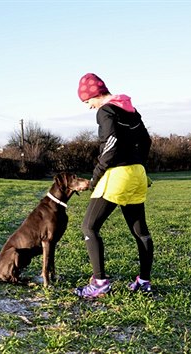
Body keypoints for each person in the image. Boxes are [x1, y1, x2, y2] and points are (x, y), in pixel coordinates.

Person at [74, 73, 154, 298]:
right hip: (138, 174)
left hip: (118, 175)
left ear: (95, 94)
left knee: (89, 227)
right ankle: (144, 281)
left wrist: (96, 176)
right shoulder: (130, 110)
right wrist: (138, 162)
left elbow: (110, 145)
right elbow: (147, 140)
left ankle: (99, 284)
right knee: (141, 232)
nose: (88, 107)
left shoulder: (106, 111)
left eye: (87, 101)